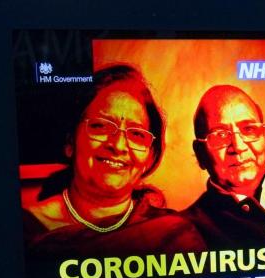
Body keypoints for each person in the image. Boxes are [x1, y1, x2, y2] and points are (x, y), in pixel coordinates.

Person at [24, 65, 204, 256]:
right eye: (100, 126)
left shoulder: (172, 235)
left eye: (136, 134)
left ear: (150, 157)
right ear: (70, 142)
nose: (118, 145)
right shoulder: (28, 230)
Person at [184, 85, 265, 247]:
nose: (238, 147)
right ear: (200, 153)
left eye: (249, 129)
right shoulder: (186, 231)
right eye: (220, 135)